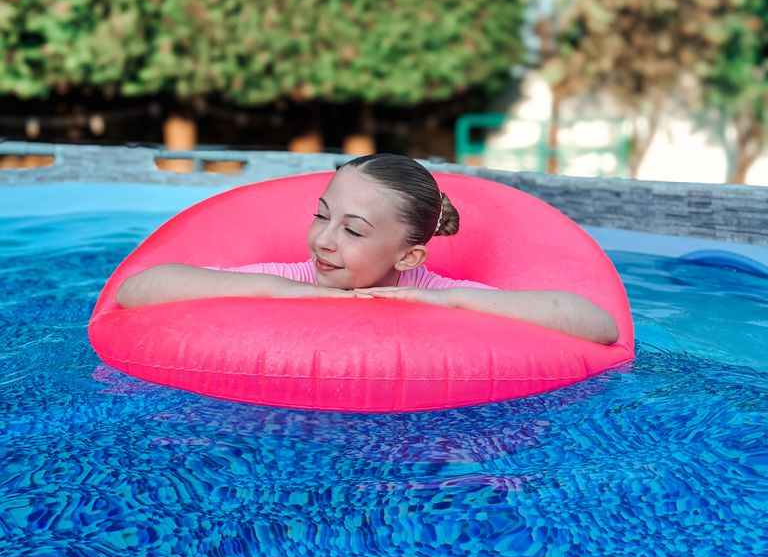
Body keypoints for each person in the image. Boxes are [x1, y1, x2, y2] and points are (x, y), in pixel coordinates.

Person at [116, 153, 619, 345]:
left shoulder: (434, 290)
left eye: (353, 231)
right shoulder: (292, 276)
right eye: (320, 215)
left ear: (408, 257)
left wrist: (448, 302)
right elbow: (136, 291)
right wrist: (281, 291)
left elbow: (600, 326)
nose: (324, 240)